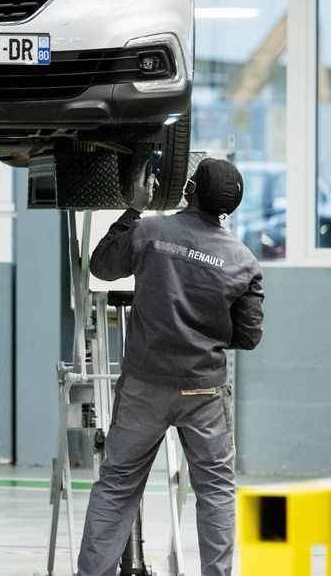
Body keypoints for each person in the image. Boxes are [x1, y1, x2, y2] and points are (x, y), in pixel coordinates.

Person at [76, 157, 265, 576]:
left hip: (144, 386)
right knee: (215, 492)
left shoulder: (149, 231)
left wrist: (134, 208)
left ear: (191, 191)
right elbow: (248, 336)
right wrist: (204, 336)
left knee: (117, 487)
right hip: (204, 393)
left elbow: (102, 266)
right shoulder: (243, 261)